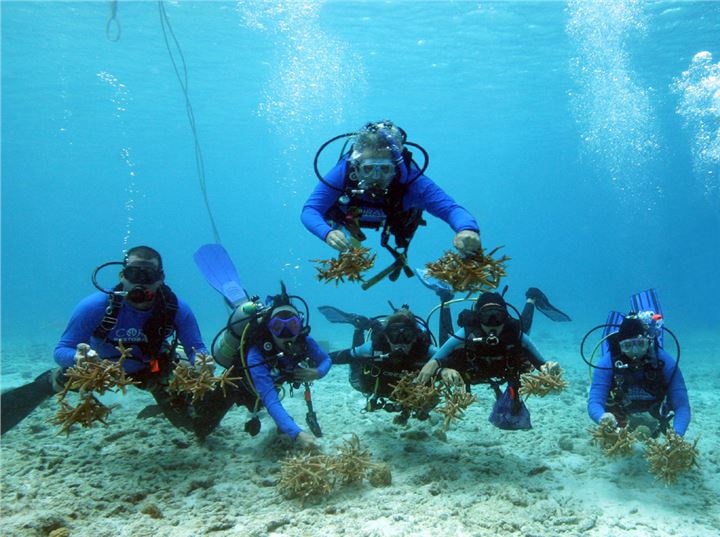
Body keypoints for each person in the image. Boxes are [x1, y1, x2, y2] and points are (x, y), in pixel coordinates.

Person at [1, 246, 215, 437]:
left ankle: (179, 409)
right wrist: (78, 359)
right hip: (97, 370)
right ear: (123, 275)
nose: (140, 282)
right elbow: (61, 350)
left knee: (193, 427)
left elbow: (196, 348)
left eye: (147, 275)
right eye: (134, 273)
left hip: (151, 369)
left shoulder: (176, 308)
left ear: (161, 278)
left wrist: (202, 362)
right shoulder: (94, 307)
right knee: (52, 382)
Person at [301, 120, 481, 285]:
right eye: (369, 168)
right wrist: (326, 233)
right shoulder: (343, 172)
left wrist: (467, 229)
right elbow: (310, 211)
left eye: (385, 169)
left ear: (396, 167)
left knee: (407, 224)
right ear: (356, 166)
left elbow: (451, 209)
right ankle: (348, 240)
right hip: (348, 216)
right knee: (341, 230)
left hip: (396, 218)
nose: (376, 177)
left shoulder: (413, 180)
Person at [415, 290, 561, 430]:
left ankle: (531, 299)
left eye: (498, 317)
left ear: (506, 317)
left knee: (525, 329)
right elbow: (440, 356)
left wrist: (546, 367)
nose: (493, 323)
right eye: (487, 317)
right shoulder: (468, 333)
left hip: (505, 368)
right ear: (478, 318)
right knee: (444, 340)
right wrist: (437, 365)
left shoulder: (513, 332)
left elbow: (540, 362)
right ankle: (445, 302)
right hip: (474, 370)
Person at [230, 285, 332, 450]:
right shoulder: (257, 353)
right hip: (238, 385)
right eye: (278, 327)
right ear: (269, 328)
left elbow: (326, 359)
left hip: (273, 383)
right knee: (201, 425)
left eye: (292, 326)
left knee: (273, 408)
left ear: (299, 326)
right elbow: (270, 399)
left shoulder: (305, 342)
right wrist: (297, 433)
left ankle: (283, 423)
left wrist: (318, 372)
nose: (286, 334)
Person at [320, 305, 437, 421]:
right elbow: (349, 355)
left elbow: (448, 356)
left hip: (407, 390)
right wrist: (316, 360)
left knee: (429, 399)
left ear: (415, 336)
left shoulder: (423, 348)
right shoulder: (377, 346)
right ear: (386, 336)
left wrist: (444, 368)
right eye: (394, 335)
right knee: (355, 381)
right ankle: (359, 327)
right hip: (377, 385)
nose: (400, 342)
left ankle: (370, 324)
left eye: (407, 335)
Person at [587, 312, 690, 437]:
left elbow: (682, 405)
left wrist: (677, 435)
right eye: (628, 346)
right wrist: (603, 418)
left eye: (640, 344)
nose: (635, 352)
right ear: (620, 346)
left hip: (656, 411)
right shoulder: (607, 363)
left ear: (648, 342)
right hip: (620, 413)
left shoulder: (664, 363)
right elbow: (595, 402)